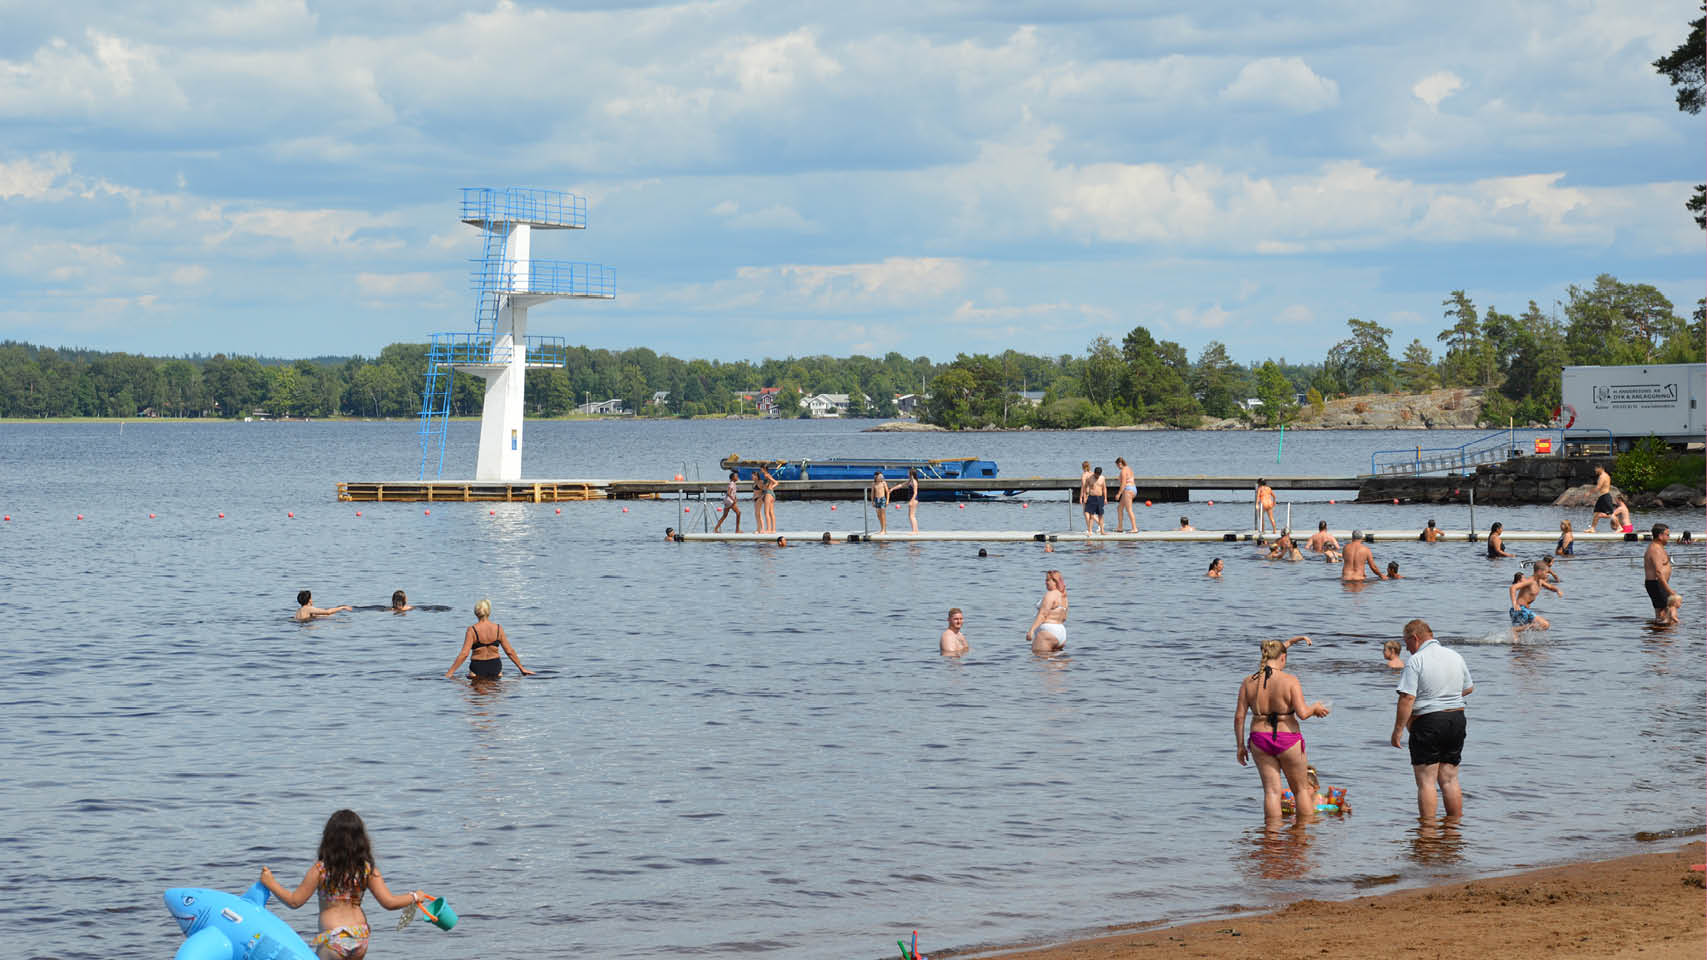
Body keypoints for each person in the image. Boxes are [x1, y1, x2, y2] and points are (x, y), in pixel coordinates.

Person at [259, 809, 426, 960]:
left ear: (328, 838)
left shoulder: (321, 870)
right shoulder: (367, 869)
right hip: (360, 936)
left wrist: (270, 882)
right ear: (361, 840)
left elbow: (294, 901)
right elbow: (389, 902)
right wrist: (415, 896)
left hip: (334, 938)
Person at [1234, 636, 1328, 820]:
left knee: (1271, 792)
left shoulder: (1248, 682)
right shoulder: (1290, 680)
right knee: (1300, 790)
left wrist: (1240, 746)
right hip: (1288, 738)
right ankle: (1301, 838)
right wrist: (1315, 708)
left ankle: (1271, 839)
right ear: (1282, 658)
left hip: (1259, 739)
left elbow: (1239, 716)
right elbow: (1302, 713)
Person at [1391, 619, 1473, 818]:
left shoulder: (1416, 660)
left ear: (1415, 638)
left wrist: (1398, 730)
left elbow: (1407, 698)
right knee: (1450, 779)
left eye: (1406, 642)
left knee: (1426, 781)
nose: (1407, 649)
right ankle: (1454, 828)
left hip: (1428, 722)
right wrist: (1446, 693)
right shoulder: (1455, 656)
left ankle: (1427, 832)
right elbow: (1468, 687)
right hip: (1456, 719)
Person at [444, 598, 534, 679]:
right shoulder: (498, 628)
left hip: (477, 667)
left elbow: (464, 654)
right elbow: (509, 651)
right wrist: (522, 669)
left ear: (476, 612)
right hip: (495, 666)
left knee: (475, 694)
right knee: (494, 693)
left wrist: (450, 673)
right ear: (489, 612)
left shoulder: (472, 630)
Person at [1645, 523, 1681, 624]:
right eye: (1667, 535)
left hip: (1658, 584)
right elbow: (1659, 572)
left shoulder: (1658, 547)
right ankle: (1665, 636)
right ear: (1660, 536)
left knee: (1662, 613)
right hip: (1657, 584)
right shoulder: (1655, 549)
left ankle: (1659, 636)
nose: (1669, 537)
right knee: (1667, 613)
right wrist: (1670, 591)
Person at [1025, 570, 1068, 654]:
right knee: (1057, 665)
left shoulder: (1051, 594)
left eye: (1048, 580)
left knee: (1038, 662)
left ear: (1055, 581)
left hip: (1047, 633)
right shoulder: (1063, 596)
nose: (1046, 582)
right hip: (1061, 633)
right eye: (1046, 580)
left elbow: (1043, 614)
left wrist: (1031, 630)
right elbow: (1064, 618)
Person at [1114, 457, 1139, 532]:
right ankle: (1120, 527)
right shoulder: (1129, 468)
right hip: (1133, 489)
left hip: (1128, 490)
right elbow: (1128, 478)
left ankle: (1134, 528)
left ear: (1120, 464)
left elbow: (1124, 483)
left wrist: (1118, 494)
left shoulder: (1123, 471)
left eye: (1117, 465)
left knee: (1129, 510)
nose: (1117, 467)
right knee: (1119, 508)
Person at [1588, 464, 1615, 531]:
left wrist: (1589, 493)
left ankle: (1619, 527)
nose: (1595, 470)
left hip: (1605, 497)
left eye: (1596, 468)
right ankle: (1592, 528)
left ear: (1600, 468)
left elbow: (1598, 487)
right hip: (1602, 497)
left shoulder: (1602, 476)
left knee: (1611, 514)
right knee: (1596, 512)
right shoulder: (1605, 475)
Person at [1083, 466, 1108, 536]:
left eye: (1099, 475)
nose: (1098, 476)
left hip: (1100, 498)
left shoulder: (1102, 478)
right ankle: (1090, 531)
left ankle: (1102, 531)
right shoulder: (1089, 478)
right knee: (1091, 515)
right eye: (1096, 474)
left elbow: (1104, 489)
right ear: (1094, 473)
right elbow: (1085, 488)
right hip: (1092, 498)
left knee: (1101, 515)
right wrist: (1085, 497)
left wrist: (1105, 498)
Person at [757, 463, 778, 534]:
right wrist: (771, 487)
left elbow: (776, 482)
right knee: (771, 512)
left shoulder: (766, 475)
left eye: (761, 469)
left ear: (764, 469)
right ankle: (773, 529)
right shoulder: (768, 475)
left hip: (768, 494)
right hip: (771, 494)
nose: (760, 470)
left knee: (766, 512)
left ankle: (768, 530)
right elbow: (775, 483)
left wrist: (770, 488)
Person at [753, 464, 771, 534]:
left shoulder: (760, 482)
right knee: (757, 514)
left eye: (754, 475)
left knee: (759, 513)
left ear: (757, 476)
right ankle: (758, 528)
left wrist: (762, 497)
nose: (752, 476)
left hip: (759, 498)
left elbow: (764, 489)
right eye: (752, 475)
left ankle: (762, 528)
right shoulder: (754, 482)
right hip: (755, 499)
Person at [904, 468, 921, 533]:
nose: (907, 474)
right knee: (912, 515)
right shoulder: (910, 480)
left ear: (911, 474)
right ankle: (916, 530)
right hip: (913, 500)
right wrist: (893, 489)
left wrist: (911, 501)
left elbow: (915, 492)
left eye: (908, 473)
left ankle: (914, 531)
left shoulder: (914, 481)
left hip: (914, 500)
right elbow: (902, 484)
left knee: (911, 516)